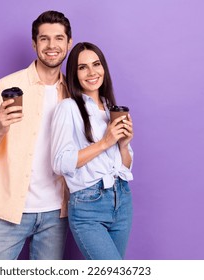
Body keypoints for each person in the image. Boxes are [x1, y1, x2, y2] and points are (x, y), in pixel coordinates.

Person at [0, 10, 73, 260]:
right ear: (34, 43)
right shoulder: (6, 86)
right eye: (44, 38)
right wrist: (0, 130)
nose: (52, 45)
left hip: (56, 215)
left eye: (59, 38)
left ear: (69, 43)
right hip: (8, 212)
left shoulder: (74, 93)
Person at [51, 42, 134, 260]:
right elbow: (60, 163)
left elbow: (124, 167)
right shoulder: (68, 107)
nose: (91, 72)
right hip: (88, 205)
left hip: (122, 199)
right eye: (82, 67)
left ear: (104, 68)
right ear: (74, 74)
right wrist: (105, 142)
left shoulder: (110, 108)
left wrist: (123, 145)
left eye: (96, 64)